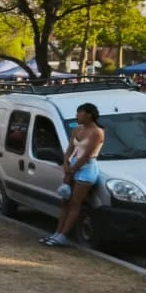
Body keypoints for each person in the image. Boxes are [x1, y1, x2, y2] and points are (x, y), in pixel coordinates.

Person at [43, 103, 106, 247]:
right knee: (65, 202)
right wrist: (66, 163)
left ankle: (64, 235)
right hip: (73, 165)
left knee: (74, 203)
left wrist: (71, 171)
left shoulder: (97, 132)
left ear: (89, 115)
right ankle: (57, 233)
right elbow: (70, 149)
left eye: (80, 113)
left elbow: (86, 155)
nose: (77, 116)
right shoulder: (77, 129)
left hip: (86, 168)